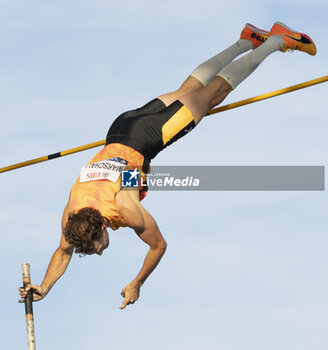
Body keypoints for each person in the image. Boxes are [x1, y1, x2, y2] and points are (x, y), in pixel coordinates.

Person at [18, 22, 316, 310]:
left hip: (149, 136)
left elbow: (158, 246)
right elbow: (63, 251)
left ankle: (278, 41)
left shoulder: (124, 208)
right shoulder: (74, 210)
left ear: (99, 231)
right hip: (122, 128)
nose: (98, 251)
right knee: (189, 88)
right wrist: (44, 286)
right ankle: (248, 39)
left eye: (96, 246)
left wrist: (137, 282)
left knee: (214, 93)